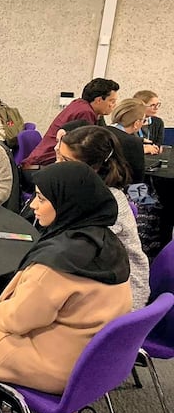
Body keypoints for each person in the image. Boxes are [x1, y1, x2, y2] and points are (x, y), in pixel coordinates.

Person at [0, 162, 131, 395]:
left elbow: (17, 319)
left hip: (57, 365)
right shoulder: (106, 242)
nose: (33, 205)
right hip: (94, 361)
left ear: (65, 201)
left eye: (41, 198)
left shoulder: (58, 262)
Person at [58, 126, 150, 310]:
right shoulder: (83, 188)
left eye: (66, 160)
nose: (58, 165)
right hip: (101, 279)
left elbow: (73, 252)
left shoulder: (107, 203)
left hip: (122, 295)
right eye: (58, 156)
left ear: (93, 167)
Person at [22, 77, 119, 171]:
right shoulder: (85, 112)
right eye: (112, 101)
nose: (114, 105)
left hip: (38, 165)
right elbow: (86, 149)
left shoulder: (80, 104)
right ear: (98, 100)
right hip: (42, 167)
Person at [107, 98, 147, 184]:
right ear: (136, 123)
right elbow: (137, 179)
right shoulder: (133, 142)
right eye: (144, 120)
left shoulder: (98, 130)